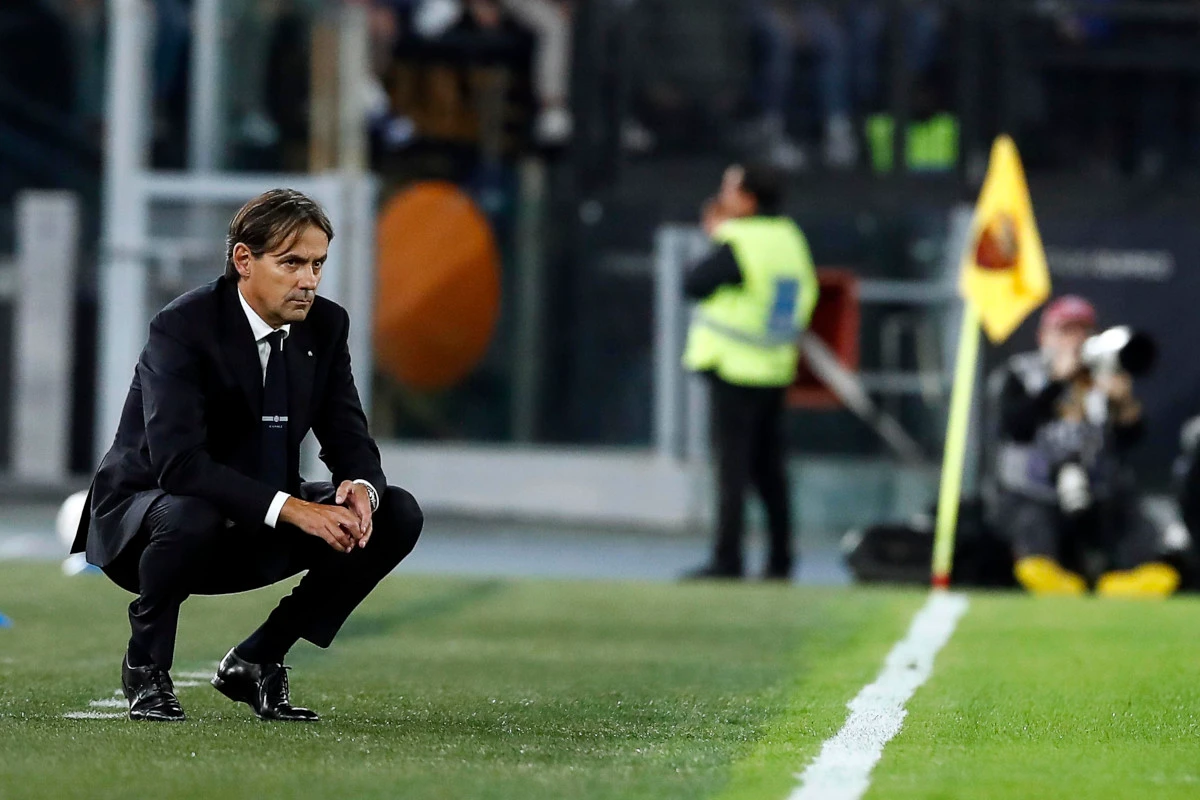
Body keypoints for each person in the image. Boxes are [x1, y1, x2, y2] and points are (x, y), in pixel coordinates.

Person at [72, 189, 424, 722]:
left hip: (254, 520)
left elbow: (348, 435)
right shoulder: (183, 326)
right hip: (148, 526)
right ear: (244, 259)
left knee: (397, 512)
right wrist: (294, 509)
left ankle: (258, 660)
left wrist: (360, 487)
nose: (308, 280)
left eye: (317, 264)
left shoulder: (326, 326)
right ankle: (145, 669)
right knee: (192, 511)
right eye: (291, 263)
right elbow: (179, 465)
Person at [681, 163, 819, 580]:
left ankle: (728, 559)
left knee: (732, 471)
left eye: (730, 189)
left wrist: (715, 235)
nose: (723, 196)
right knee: (770, 471)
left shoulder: (741, 240)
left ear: (748, 199)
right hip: (774, 366)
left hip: (734, 366)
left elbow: (695, 283)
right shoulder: (790, 238)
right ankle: (780, 559)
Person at [991, 295, 1178, 597]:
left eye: (1083, 331)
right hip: (1036, 491)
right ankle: (1042, 569)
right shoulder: (1022, 373)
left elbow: (1131, 439)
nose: (1076, 340)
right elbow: (1016, 427)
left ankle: (1133, 574)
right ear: (1044, 336)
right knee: (1030, 520)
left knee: (1131, 516)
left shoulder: (1105, 375)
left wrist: (1124, 403)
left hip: (1097, 492)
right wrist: (1057, 382)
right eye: (1066, 331)